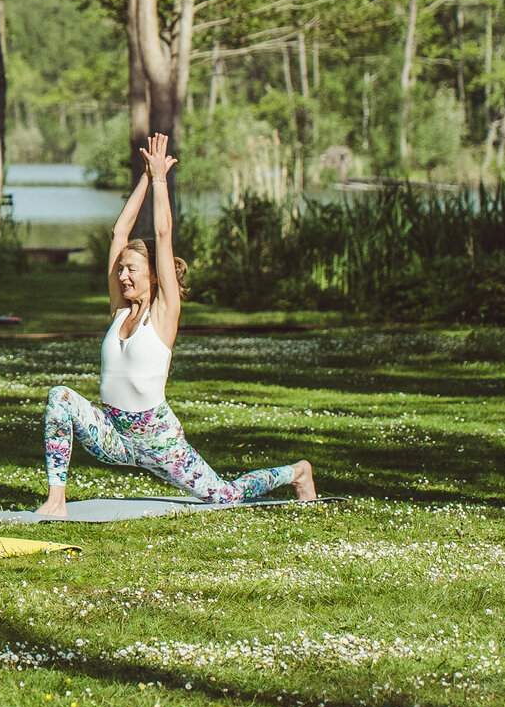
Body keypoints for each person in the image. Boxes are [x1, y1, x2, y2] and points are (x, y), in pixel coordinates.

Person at [37, 134, 313, 516]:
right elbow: (119, 233)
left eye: (130, 270)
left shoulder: (164, 312)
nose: (122, 276)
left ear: (152, 274)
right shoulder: (120, 310)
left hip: (159, 440)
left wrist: (162, 182)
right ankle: (56, 499)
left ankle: (297, 473)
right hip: (114, 435)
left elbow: (163, 234)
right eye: (120, 270)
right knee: (60, 397)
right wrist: (146, 178)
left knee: (224, 497)